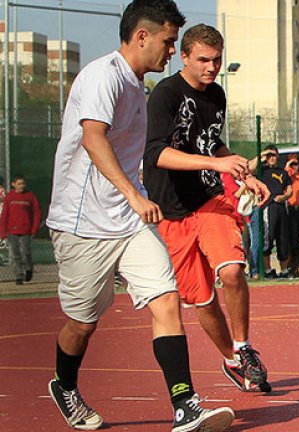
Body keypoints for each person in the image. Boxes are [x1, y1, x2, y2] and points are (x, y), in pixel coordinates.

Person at [45, 3, 234, 431]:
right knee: (83, 322)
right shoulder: (103, 76)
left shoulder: (137, 86)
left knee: (167, 299)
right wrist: (133, 194)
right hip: (82, 224)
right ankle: (65, 383)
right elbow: (93, 138)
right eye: (169, 42)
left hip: (129, 223)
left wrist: (134, 201)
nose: (172, 51)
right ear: (142, 36)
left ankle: (185, 407)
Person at [144, 23, 272, 394]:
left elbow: (211, 143)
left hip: (209, 200)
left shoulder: (216, 95)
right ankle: (232, 360)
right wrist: (213, 163)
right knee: (202, 299)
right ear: (183, 57)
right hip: (172, 212)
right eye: (203, 59)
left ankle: (245, 348)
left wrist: (243, 172)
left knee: (232, 271)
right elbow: (157, 153)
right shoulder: (165, 95)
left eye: (216, 60)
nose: (211, 67)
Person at [252, 145, 293, 279]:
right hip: (268, 207)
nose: (271, 158)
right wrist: (262, 154)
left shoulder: (283, 172)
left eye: (273, 155)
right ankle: (268, 269)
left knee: (283, 238)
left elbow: (289, 189)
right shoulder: (261, 171)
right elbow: (250, 168)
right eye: (269, 156)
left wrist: (284, 197)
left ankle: (284, 269)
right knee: (268, 238)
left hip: (280, 206)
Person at [0, 174, 41, 284]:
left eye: (23, 183)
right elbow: (4, 215)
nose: (21, 186)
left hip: (26, 230)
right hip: (12, 231)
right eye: (19, 184)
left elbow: (36, 213)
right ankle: (18, 275)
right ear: (13, 185)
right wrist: (3, 233)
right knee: (15, 254)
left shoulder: (30, 196)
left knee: (26, 252)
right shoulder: (9, 197)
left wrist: (34, 229)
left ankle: (28, 269)